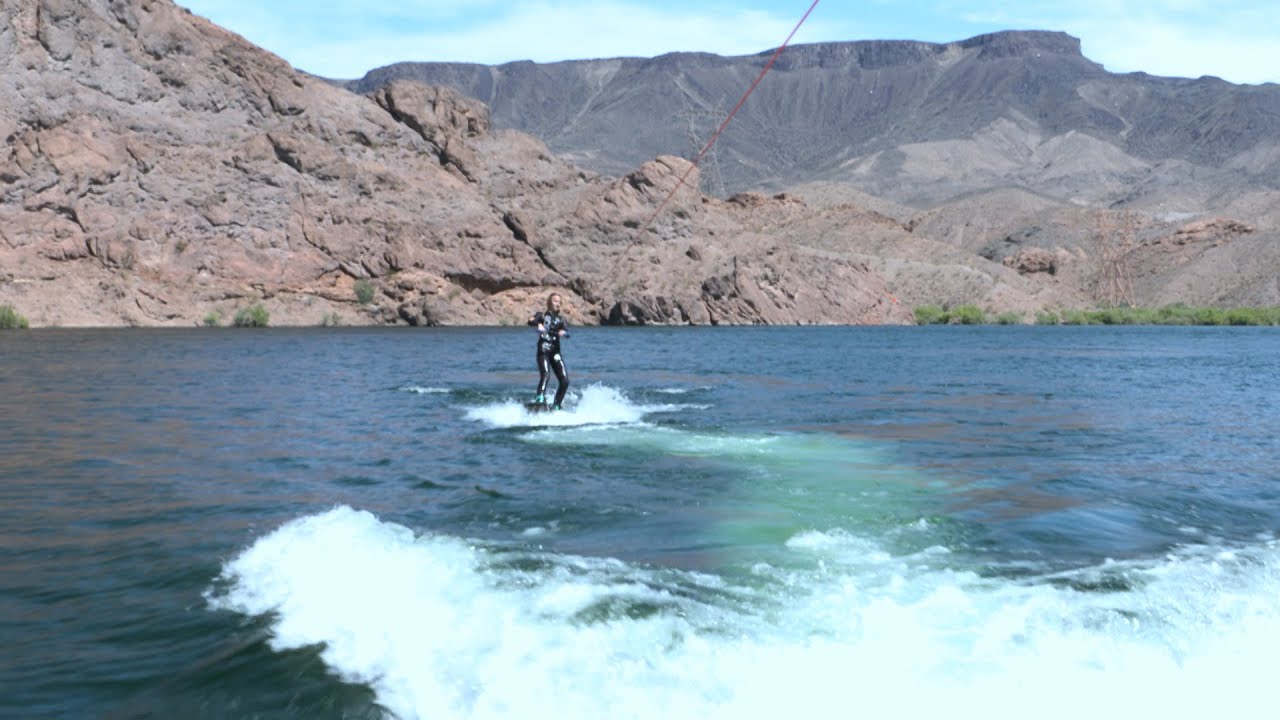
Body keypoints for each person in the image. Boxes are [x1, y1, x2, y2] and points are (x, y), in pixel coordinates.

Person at [528, 292, 570, 409]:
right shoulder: (541, 315)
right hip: (543, 350)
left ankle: (557, 404)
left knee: (565, 380)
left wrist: (564, 333)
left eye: (559, 302)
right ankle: (539, 398)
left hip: (555, 352)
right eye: (555, 301)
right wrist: (538, 324)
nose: (558, 304)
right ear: (549, 302)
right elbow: (530, 321)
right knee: (546, 374)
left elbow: (566, 331)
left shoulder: (562, 320)